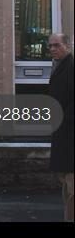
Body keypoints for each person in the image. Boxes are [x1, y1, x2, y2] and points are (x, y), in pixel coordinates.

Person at [48, 32, 73, 222]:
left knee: (72, 187)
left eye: (57, 45)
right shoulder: (59, 66)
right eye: (50, 46)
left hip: (70, 136)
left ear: (68, 46)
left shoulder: (70, 67)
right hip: (64, 135)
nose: (52, 49)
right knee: (67, 185)